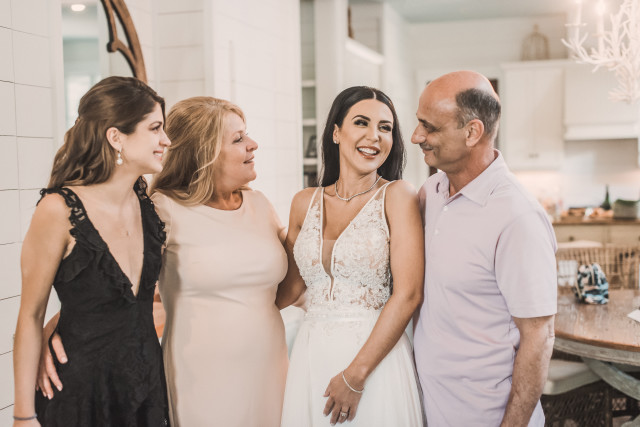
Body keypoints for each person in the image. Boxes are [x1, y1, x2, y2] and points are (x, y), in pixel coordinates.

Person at [12, 76, 171, 426]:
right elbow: (29, 316)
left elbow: (116, 302)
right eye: (155, 128)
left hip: (144, 390)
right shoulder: (58, 210)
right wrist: (23, 416)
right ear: (116, 137)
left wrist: (59, 321)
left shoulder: (147, 205)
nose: (166, 140)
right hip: (80, 395)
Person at [411, 70, 557, 426]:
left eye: (430, 127)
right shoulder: (431, 193)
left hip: (485, 415)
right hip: (429, 408)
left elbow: (538, 336)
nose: (417, 136)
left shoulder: (518, 216)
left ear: (472, 132)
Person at [278, 86, 425, 426]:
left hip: (373, 362)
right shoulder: (303, 202)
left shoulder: (398, 196)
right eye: (361, 122)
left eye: (385, 128)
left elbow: (409, 294)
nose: (374, 136)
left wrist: (355, 376)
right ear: (336, 133)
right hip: (312, 355)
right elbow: (288, 291)